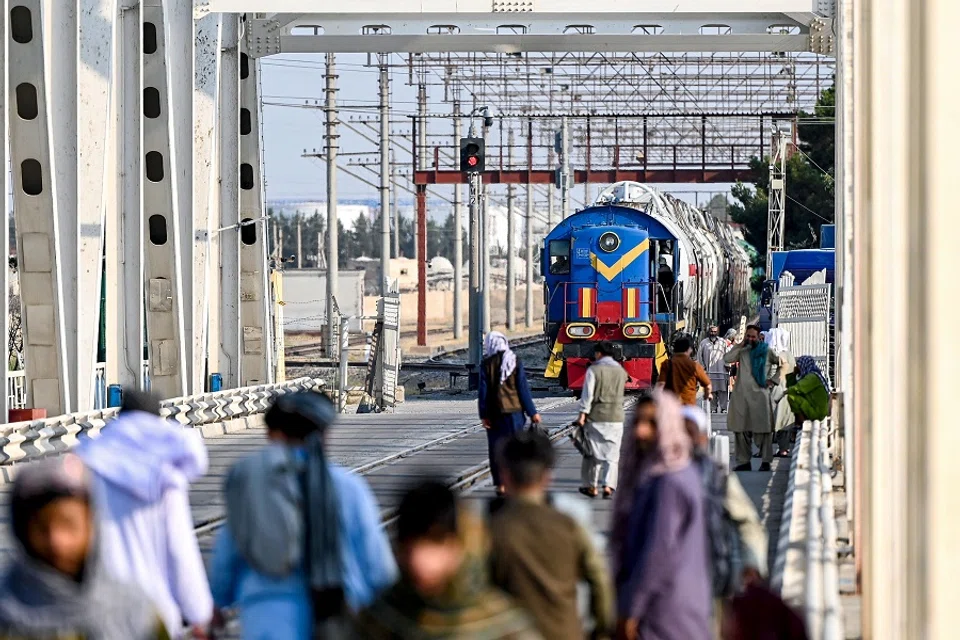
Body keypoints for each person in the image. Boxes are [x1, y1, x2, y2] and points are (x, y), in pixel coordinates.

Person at [210, 391, 396, 639]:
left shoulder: (250, 486)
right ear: (324, 435)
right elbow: (379, 570)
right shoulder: (348, 489)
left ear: (273, 435)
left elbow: (225, 566)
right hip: (337, 619)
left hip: (264, 623)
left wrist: (215, 607)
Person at [74, 389, 213, 639]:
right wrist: (199, 613)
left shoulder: (90, 467)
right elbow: (179, 550)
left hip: (99, 609)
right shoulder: (165, 478)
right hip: (155, 613)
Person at [0, 454, 169, 639]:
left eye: (68, 525)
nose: (56, 542)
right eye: (41, 528)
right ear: (22, 532)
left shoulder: (137, 612)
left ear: (91, 525)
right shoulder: (7, 616)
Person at [355, 481, 542, 639]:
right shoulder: (381, 618)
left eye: (435, 542)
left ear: (459, 544)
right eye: (410, 544)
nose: (419, 558)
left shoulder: (501, 626)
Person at [489, 431, 615, 639]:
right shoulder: (571, 518)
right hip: (564, 631)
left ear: (505, 475)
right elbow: (598, 578)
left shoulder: (487, 524)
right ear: (548, 476)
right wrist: (601, 630)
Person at [611, 391, 711, 640]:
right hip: (680, 605)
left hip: (661, 612)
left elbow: (658, 553)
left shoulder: (668, 483)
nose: (640, 432)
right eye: (637, 422)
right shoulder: (681, 471)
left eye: (652, 423)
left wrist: (630, 609)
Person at [681, 405, 768, 638]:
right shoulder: (655, 476)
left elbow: (748, 523)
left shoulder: (717, 478)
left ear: (702, 438)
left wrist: (751, 565)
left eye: (690, 433)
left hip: (712, 579)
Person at [479, 331, 542, 497]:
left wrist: (483, 415)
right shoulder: (514, 361)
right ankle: (516, 481)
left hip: (494, 414)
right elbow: (522, 389)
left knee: (496, 450)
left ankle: (500, 485)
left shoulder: (486, 364)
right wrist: (532, 412)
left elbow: (483, 393)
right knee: (516, 449)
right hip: (515, 414)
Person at [724, 325, 782, 472]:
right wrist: (739, 345)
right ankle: (744, 462)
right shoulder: (742, 351)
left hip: (760, 397)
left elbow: (782, 364)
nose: (750, 339)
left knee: (763, 431)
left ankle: (766, 462)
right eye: (747, 336)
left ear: (758, 337)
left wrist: (774, 380)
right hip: (741, 398)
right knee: (741, 431)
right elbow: (727, 358)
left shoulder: (766, 351)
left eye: (752, 337)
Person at [574, 341, 628, 499]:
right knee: (612, 455)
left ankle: (592, 486)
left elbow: (587, 395)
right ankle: (609, 486)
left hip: (596, 416)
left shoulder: (594, 370)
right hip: (616, 417)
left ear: (598, 353)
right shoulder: (621, 371)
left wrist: (582, 415)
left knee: (594, 453)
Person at [658, 336, 713, 406]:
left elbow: (661, 385)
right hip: (688, 406)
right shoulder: (695, 366)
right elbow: (708, 385)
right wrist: (707, 395)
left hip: (671, 406)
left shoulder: (666, 364)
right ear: (689, 350)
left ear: (674, 349)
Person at [697, 326, 731, 413]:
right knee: (712, 390)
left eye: (715, 331)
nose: (713, 333)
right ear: (709, 332)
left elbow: (727, 354)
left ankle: (723, 408)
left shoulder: (722, 342)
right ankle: (713, 408)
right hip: (709, 371)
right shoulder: (703, 343)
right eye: (711, 331)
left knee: (723, 390)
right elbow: (699, 357)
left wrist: (727, 365)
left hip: (721, 371)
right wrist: (703, 367)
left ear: (717, 332)